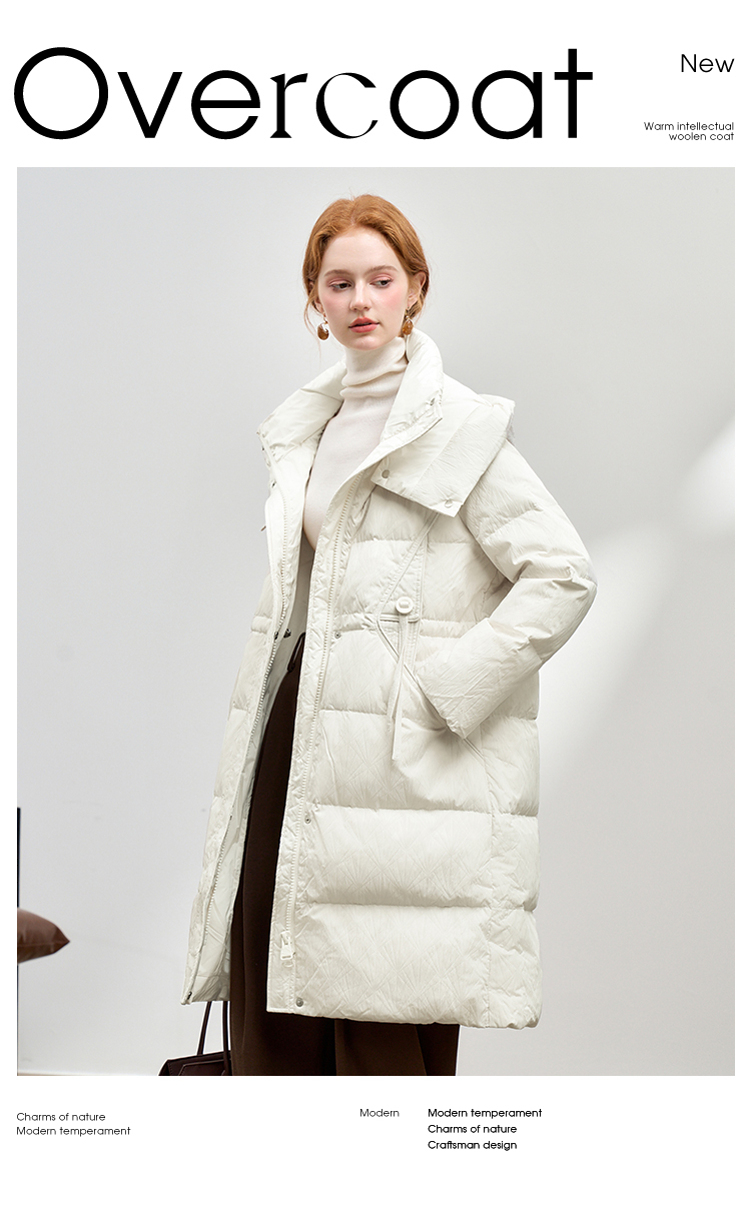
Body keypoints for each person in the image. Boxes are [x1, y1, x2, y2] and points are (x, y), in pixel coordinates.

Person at [182, 195, 597, 1076]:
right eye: (340, 283)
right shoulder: (303, 430)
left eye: (380, 279)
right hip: (295, 724)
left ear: (416, 290)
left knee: (380, 987)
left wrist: (446, 686)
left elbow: (562, 574)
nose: (361, 300)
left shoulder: (460, 426)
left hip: (401, 746)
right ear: (315, 299)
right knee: (278, 971)